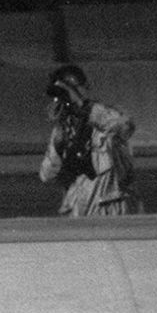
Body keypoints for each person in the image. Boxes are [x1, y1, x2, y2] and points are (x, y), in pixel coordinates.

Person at [40, 64, 139, 215]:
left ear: (82, 89)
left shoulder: (103, 119)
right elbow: (47, 174)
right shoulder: (61, 131)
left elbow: (125, 126)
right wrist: (61, 147)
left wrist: (82, 106)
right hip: (78, 208)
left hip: (110, 207)